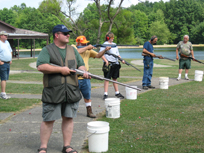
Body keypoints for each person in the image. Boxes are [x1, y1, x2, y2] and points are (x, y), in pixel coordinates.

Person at [36, 24, 89, 153]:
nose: (68, 35)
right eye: (65, 33)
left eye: (68, 33)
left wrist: (84, 71)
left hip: (71, 91)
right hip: (53, 91)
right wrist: (61, 69)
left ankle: (67, 146)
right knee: (49, 119)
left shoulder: (73, 49)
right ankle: (43, 147)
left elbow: (81, 65)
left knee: (68, 118)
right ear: (56, 35)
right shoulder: (47, 50)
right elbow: (41, 66)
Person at [72, 36, 110, 118]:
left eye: (86, 43)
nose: (85, 44)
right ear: (78, 43)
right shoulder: (73, 47)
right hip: (74, 78)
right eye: (83, 43)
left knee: (87, 96)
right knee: (73, 97)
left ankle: (89, 111)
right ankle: (70, 112)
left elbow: (98, 55)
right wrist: (87, 47)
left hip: (85, 77)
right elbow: (75, 52)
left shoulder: (87, 50)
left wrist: (105, 50)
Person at [99, 32, 125, 100]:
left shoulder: (114, 45)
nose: (112, 38)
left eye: (113, 37)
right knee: (107, 79)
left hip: (115, 63)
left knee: (115, 78)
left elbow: (117, 54)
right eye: (111, 37)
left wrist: (121, 60)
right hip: (108, 64)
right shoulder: (104, 45)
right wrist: (106, 61)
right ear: (108, 38)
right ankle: (105, 94)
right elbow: (101, 54)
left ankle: (117, 92)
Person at [0, 31, 12, 99]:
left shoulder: (7, 42)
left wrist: (10, 59)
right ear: (1, 36)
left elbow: (10, 51)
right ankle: (3, 93)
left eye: (7, 35)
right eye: (5, 35)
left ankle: (3, 93)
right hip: (2, 63)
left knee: (5, 78)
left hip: (7, 63)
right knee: (3, 78)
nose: (6, 36)